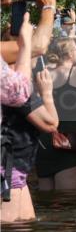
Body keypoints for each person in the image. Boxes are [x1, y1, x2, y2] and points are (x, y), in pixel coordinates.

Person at [1, 68, 59, 220]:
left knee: (25, 227)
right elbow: (50, 123)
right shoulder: (13, 86)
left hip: (17, 171)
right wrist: (46, 93)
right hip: (7, 171)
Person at [35, 39, 76, 191]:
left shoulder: (43, 75)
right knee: (68, 201)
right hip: (70, 141)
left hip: (44, 140)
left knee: (46, 197)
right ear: (70, 53)